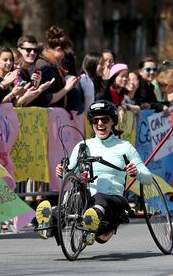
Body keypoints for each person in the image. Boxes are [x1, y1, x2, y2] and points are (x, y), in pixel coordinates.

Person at [36, 100, 152, 245]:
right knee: (73, 200)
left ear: (112, 122)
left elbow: (148, 178)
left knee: (100, 197)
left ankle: (92, 220)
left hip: (113, 201)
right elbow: (69, 177)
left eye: (105, 119)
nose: (100, 124)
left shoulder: (124, 147)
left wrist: (136, 173)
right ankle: (49, 223)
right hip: (87, 199)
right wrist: (62, 173)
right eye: (95, 120)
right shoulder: (83, 146)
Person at [33, 25, 80, 108]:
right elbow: (47, 99)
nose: (65, 58)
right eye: (66, 55)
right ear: (58, 49)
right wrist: (67, 87)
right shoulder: (45, 67)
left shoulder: (52, 64)